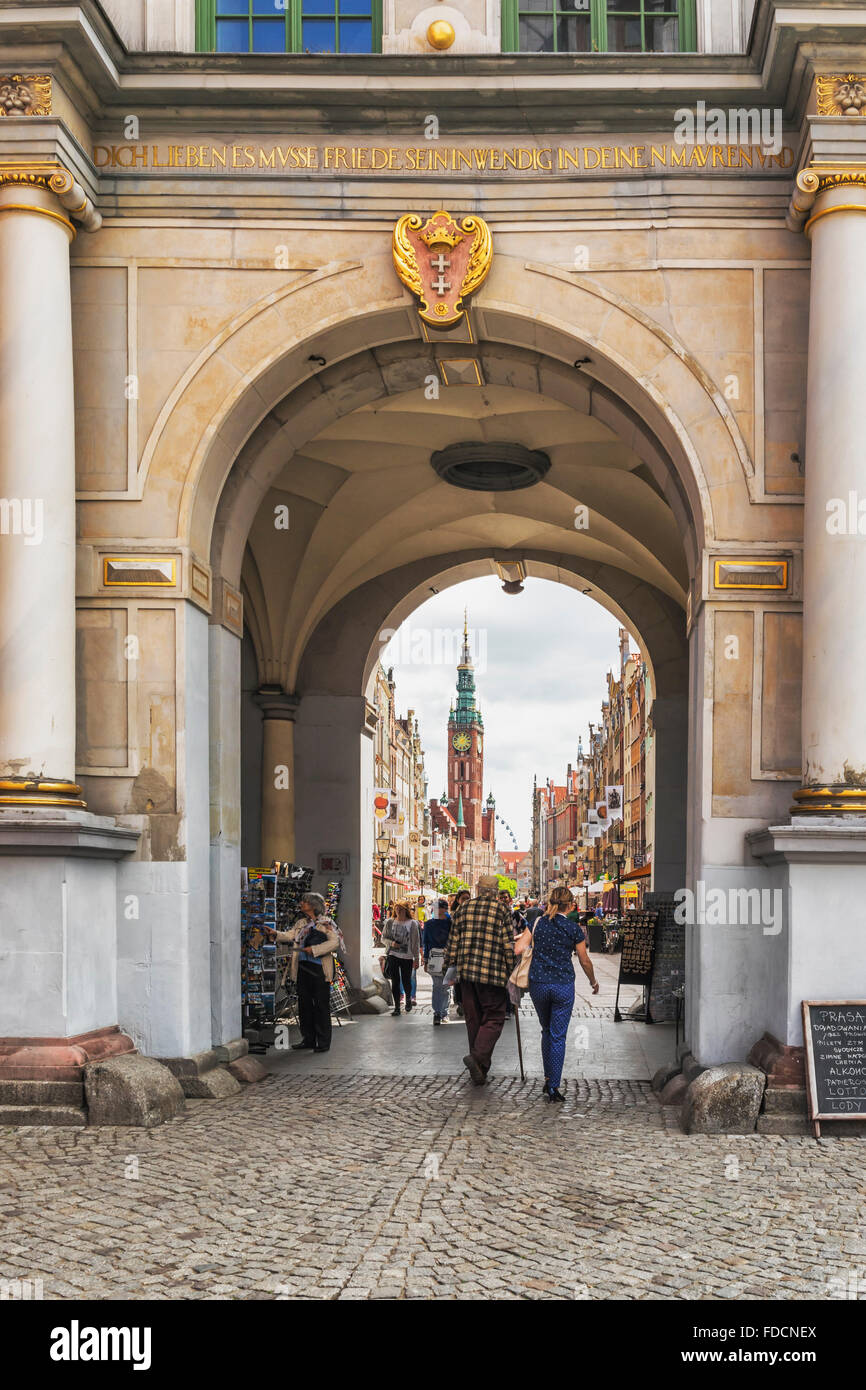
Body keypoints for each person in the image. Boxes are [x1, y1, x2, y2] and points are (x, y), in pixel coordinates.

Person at [527, 884, 599, 1103]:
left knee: (546, 1030)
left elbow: (519, 947)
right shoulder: (573, 928)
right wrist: (593, 981)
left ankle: (548, 1077)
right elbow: (584, 959)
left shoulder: (537, 923)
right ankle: (553, 1086)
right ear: (570, 905)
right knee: (558, 1035)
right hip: (563, 985)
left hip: (538, 983)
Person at [445, 874, 516, 1085]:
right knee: (494, 1017)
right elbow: (507, 943)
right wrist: (513, 969)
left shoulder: (463, 909)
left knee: (473, 1019)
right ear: (495, 892)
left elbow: (453, 940)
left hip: (467, 973)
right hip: (492, 973)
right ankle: (477, 1058)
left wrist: (448, 964)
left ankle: (480, 1069)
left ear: (477, 888)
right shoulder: (502, 910)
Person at [268, 892, 340, 1054]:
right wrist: (275, 934)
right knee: (305, 1005)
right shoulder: (301, 923)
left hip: (320, 970)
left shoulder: (326, 923)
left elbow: (335, 942)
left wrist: (314, 950)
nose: (301, 904)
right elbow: (290, 935)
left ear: (314, 905)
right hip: (303, 969)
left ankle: (322, 1042)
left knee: (321, 1006)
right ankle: (308, 1039)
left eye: (305, 902)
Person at [381, 900, 421, 1017]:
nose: (398, 910)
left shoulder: (412, 923)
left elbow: (415, 943)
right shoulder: (390, 922)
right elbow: (383, 938)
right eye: (396, 908)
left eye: (401, 908)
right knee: (395, 981)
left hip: (407, 957)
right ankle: (397, 1007)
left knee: (406, 980)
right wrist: (392, 943)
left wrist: (417, 959)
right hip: (393, 955)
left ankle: (408, 998)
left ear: (406, 910)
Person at [422, 897, 452, 1025]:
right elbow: (426, 943)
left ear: (445, 909)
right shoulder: (429, 924)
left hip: (448, 957)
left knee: (445, 987)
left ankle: (444, 1012)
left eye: (439, 907)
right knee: (437, 986)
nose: (436, 910)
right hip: (434, 957)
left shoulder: (451, 923)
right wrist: (425, 960)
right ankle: (437, 1013)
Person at [449, 890, 471, 1017]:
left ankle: (466, 1002)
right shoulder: (453, 915)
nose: (466, 900)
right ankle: (460, 1002)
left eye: (468, 898)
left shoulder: (472, 912)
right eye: (464, 898)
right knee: (457, 979)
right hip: (457, 951)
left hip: (469, 950)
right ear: (458, 900)